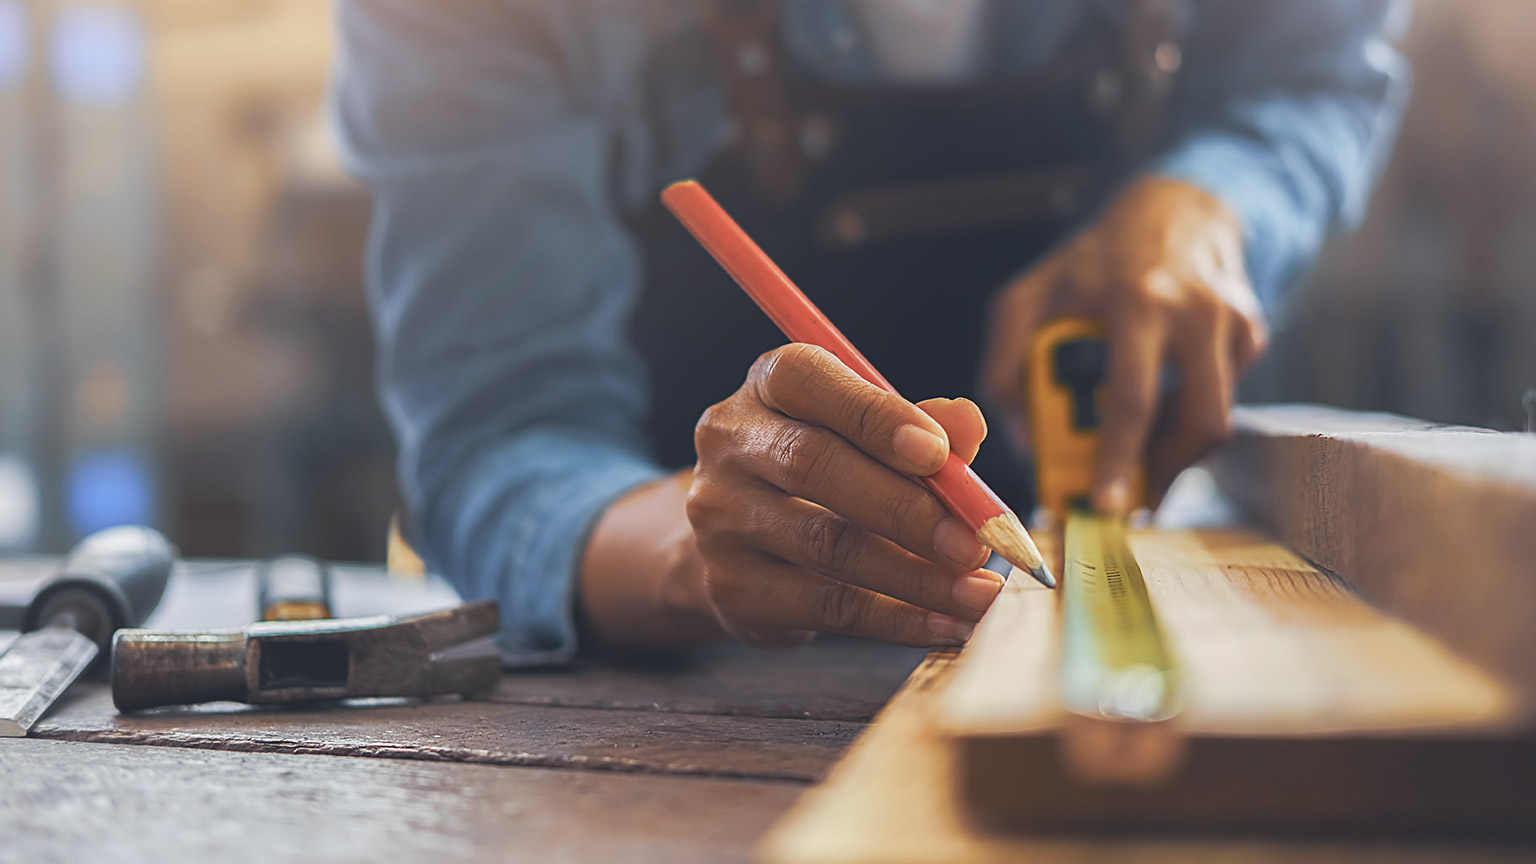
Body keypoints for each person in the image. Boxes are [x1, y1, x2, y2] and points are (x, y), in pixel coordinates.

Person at [333, 0, 1408, 663]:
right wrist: (687, 548)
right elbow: (497, 437)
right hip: (722, 713)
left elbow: (1309, 79)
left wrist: (1210, 203)